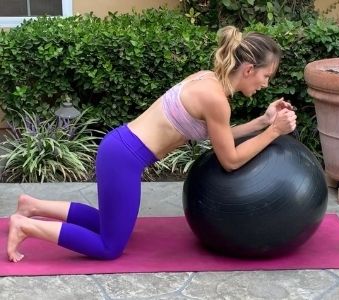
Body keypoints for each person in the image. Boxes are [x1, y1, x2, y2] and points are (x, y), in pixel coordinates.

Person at [6, 26, 297, 262]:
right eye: (265, 76)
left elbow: (220, 137)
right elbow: (230, 160)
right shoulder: (216, 100)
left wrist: (264, 121)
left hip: (119, 149)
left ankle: (32, 205)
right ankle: (26, 225)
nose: (265, 84)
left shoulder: (208, 80)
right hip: (124, 159)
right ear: (248, 69)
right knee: (110, 247)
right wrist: (274, 133)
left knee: (109, 224)